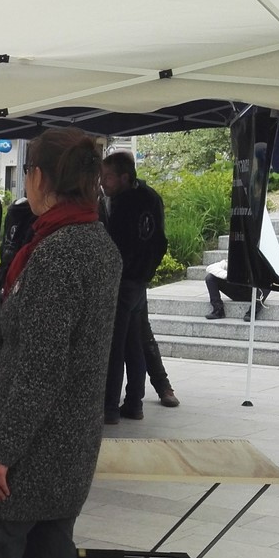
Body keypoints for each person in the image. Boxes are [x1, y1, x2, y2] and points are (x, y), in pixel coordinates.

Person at [0, 127, 121, 558]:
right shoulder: (95, 241)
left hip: (36, 448)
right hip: (70, 440)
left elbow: (41, 366)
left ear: (38, 177)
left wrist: (3, 452)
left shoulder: (58, 252)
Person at [99, 151, 177, 421]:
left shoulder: (124, 203)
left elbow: (118, 245)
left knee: (115, 346)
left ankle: (110, 407)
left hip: (124, 280)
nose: (102, 182)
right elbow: (160, 241)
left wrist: (120, 273)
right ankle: (134, 402)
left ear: (123, 176)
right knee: (134, 344)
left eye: (107, 177)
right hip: (138, 280)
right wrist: (146, 272)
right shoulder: (150, 196)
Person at [204, 259, 269, 320]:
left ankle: (252, 312)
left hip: (253, 294)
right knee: (210, 278)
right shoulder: (229, 262)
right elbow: (210, 267)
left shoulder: (256, 262)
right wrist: (229, 276)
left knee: (268, 281)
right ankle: (218, 310)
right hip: (235, 292)